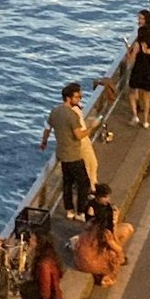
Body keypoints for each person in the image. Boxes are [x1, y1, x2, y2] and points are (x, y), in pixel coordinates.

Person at [40, 83, 93, 220]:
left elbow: (47, 127)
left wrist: (44, 141)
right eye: (77, 97)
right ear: (69, 98)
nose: (79, 99)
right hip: (74, 154)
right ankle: (80, 212)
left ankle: (69, 210)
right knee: (84, 184)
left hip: (62, 153)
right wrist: (92, 127)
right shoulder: (72, 115)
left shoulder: (55, 111)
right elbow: (78, 135)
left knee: (67, 183)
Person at [125, 15, 150, 128]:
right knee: (147, 98)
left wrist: (129, 51)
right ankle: (146, 121)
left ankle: (135, 116)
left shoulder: (138, 45)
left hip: (137, 71)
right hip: (148, 72)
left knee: (133, 94)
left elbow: (131, 59)